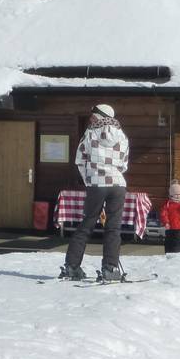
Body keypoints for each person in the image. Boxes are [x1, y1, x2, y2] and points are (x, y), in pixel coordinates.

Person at [60, 104, 130, 282]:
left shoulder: (90, 134)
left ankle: (72, 266)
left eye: (93, 115)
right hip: (118, 184)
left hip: (96, 184)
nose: (90, 118)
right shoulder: (122, 136)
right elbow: (124, 164)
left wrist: (89, 180)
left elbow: (80, 160)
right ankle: (110, 268)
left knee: (87, 224)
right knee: (113, 228)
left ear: (100, 116)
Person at [159, 181, 180, 253]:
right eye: (175, 195)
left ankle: (177, 255)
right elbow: (163, 214)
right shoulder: (168, 204)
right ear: (171, 195)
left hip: (179, 227)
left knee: (177, 243)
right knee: (168, 243)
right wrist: (166, 222)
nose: (177, 196)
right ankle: (168, 254)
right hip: (169, 227)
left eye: (179, 194)